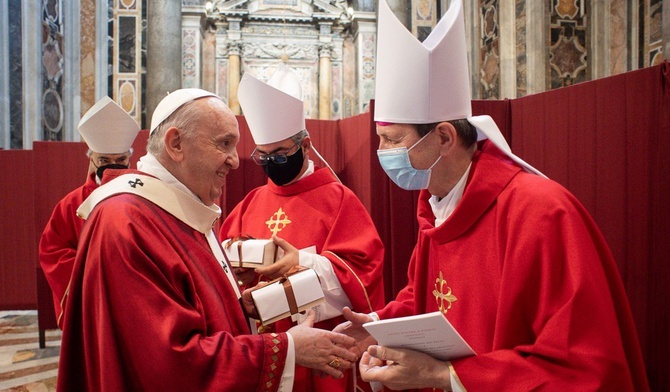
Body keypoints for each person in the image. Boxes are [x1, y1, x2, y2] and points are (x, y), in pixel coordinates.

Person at [335, 1, 649, 391]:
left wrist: (447, 376)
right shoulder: (439, 207)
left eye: (392, 141)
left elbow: (582, 366)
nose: (382, 154)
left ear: (445, 138)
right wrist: (383, 326)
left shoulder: (541, 212)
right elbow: (429, 296)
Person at [56, 88, 358, 391]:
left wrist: (241, 305)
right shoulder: (126, 221)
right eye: (224, 144)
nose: (235, 162)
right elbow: (170, 364)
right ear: (176, 144)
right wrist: (288, 349)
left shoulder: (176, 207)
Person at [219, 64, 385, 391]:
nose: (271, 164)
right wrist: (240, 277)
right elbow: (223, 267)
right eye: (263, 156)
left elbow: (364, 273)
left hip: (323, 351)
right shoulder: (249, 203)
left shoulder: (339, 199)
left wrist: (302, 263)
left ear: (305, 146)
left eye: (281, 154)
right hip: (267, 349)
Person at [38, 96, 139, 324]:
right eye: (104, 159)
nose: (112, 166)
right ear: (92, 160)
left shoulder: (143, 198)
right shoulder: (71, 205)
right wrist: (94, 273)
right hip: (90, 299)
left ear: (129, 160)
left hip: (133, 298)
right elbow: (52, 251)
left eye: (120, 159)